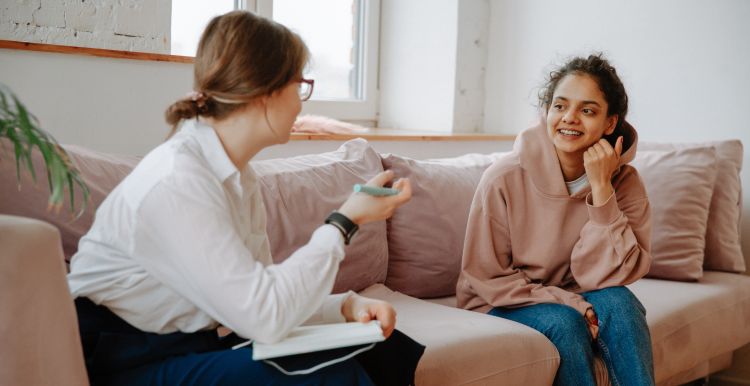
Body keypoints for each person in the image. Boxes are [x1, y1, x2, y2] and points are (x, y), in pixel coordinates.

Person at [67, 11, 424, 386]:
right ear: (264, 93)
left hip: (190, 346)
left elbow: (262, 291)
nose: (302, 104)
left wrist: (347, 306)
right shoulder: (179, 180)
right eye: (298, 85)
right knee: (329, 377)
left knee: (382, 347)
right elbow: (264, 316)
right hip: (123, 361)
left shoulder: (239, 176)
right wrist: (343, 223)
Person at [457, 54, 655, 386]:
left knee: (620, 302)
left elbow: (618, 275)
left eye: (588, 110)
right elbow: (486, 277)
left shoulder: (625, 183)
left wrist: (602, 190)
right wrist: (570, 301)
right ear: (546, 111)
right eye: (560, 106)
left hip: (577, 292)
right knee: (565, 322)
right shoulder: (502, 178)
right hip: (498, 301)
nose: (570, 119)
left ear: (610, 123)